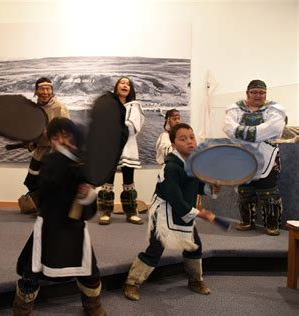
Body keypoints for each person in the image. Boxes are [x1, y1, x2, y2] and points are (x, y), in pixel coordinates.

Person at [14, 117, 106, 316]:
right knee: (32, 273)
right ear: (50, 141)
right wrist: (69, 160)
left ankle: (93, 307)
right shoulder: (50, 162)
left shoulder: (83, 165)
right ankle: (22, 310)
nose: (62, 141)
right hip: (49, 226)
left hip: (75, 229)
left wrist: (87, 194)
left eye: (66, 135)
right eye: (56, 138)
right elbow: (45, 185)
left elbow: (88, 213)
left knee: (89, 272)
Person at [123, 123, 219, 301]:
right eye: (183, 139)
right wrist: (200, 214)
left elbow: (197, 187)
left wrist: (211, 188)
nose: (190, 142)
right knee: (155, 249)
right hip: (165, 214)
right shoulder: (172, 167)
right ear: (174, 144)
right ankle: (132, 282)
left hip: (184, 210)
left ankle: (195, 280)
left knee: (194, 246)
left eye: (191, 137)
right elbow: (174, 198)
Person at [223, 80, 286, 236]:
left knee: (269, 192)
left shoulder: (274, 109)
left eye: (261, 92)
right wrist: (258, 134)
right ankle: (247, 221)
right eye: (254, 92)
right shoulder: (235, 109)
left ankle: (272, 225)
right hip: (243, 157)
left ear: (266, 94)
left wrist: (242, 132)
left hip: (267, 156)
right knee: (245, 192)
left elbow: (275, 128)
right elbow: (228, 128)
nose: (258, 95)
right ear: (247, 93)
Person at [18, 77, 70, 215]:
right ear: (36, 91)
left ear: (52, 91)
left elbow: (66, 130)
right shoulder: (34, 108)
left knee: (51, 181)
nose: (45, 92)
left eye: (48, 89)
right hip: (41, 150)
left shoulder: (59, 107)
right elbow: (31, 130)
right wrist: (29, 142)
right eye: (42, 88)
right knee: (31, 180)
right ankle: (39, 204)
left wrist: (51, 133)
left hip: (55, 150)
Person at [98, 77, 145, 225]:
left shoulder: (134, 106)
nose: (125, 86)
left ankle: (131, 212)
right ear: (117, 87)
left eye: (128, 84)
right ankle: (105, 211)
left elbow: (132, 126)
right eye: (122, 83)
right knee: (107, 180)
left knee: (129, 180)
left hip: (128, 147)